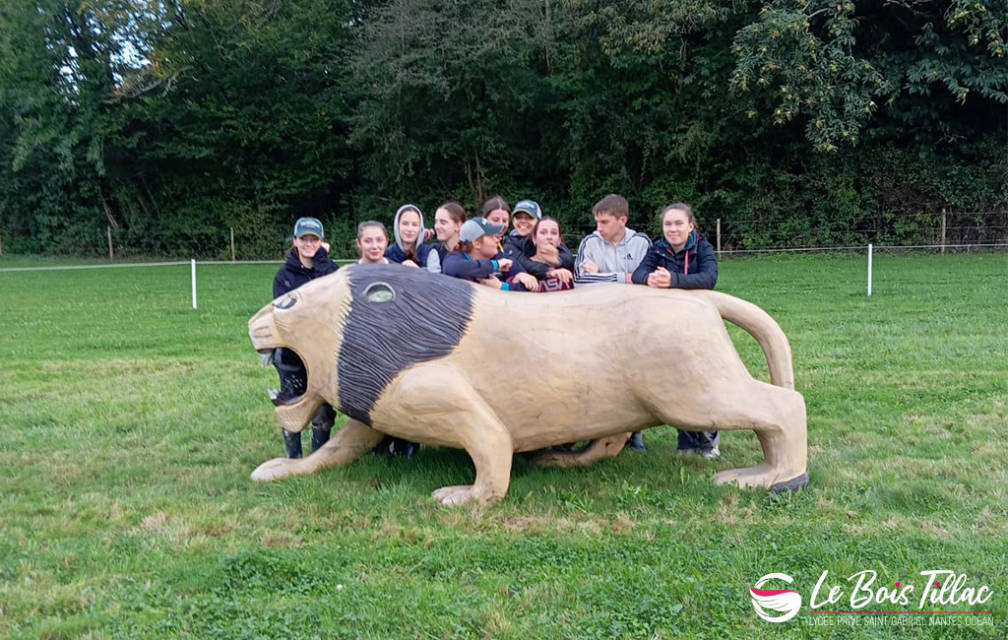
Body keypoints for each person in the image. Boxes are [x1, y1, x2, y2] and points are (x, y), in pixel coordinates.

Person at [632, 202, 720, 458]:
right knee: (678, 381)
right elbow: (638, 273)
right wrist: (649, 278)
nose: (673, 229)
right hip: (669, 327)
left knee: (702, 382)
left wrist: (673, 280)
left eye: (678, 223)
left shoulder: (703, 247)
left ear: (690, 226)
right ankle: (686, 442)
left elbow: (709, 278)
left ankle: (708, 443)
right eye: (668, 224)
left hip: (699, 324)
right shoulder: (658, 249)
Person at [573, 195, 651, 450]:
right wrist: (623, 277)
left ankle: (634, 432)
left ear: (622, 220)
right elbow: (580, 281)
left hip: (635, 320)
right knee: (604, 377)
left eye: (604, 222)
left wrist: (602, 275)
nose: (599, 228)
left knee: (636, 375)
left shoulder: (641, 243)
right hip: (598, 321)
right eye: (597, 222)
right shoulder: (590, 243)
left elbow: (646, 279)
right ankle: (601, 430)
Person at [271, 216, 339, 459]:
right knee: (292, 403)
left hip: (323, 353)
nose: (309, 244)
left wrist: (321, 260)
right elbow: (284, 315)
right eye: (304, 239)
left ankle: (318, 456)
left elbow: (335, 303)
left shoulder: (330, 270)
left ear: (322, 242)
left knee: (323, 406)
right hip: (292, 352)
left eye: (314, 239)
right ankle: (294, 457)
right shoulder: (284, 276)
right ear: (295, 241)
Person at [442, 218, 540, 291]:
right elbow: (455, 269)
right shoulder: (454, 258)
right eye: (492, 236)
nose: (497, 239)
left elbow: (530, 289)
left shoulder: (503, 259)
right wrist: (495, 265)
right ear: (477, 243)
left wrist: (503, 287)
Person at [501, 199, 576, 279]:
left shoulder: (549, 238)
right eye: (518, 217)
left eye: (529, 218)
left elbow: (568, 258)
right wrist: (549, 271)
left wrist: (557, 261)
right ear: (513, 221)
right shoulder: (509, 242)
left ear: (539, 221)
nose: (523, 221)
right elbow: (522, 263)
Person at [385, 204, 441, 272]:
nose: (410, 229)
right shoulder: (386, 254)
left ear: (420, 228)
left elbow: (435, 278)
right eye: (405, 223)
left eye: (414, 225)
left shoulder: (430, 253)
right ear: (397, 226)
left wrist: (417, 271)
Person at [528, 216, 574, 292]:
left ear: (559, 240)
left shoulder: (569, 265)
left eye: (554, 233)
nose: (549, 237)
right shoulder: (523, 266)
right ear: (534, 238)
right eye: (543, 232)